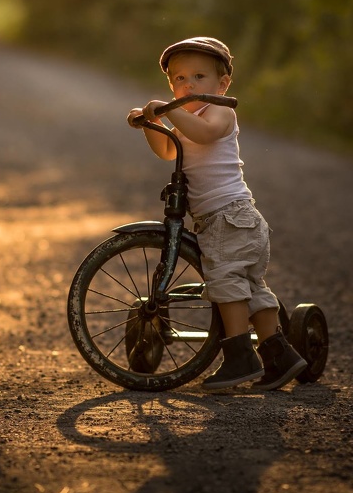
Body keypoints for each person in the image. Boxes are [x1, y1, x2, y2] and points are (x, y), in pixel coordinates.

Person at [127, 36, 307, 392]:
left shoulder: (219, 112)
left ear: (222, 84)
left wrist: (169, 109)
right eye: (180, 79)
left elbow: (206, 135)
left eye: (199, 77)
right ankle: (281, 356)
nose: (188, 85)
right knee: (251, 290)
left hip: (231, 217)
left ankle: (240, 358)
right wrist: (152, 123)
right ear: (171, 85)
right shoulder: (187, 117)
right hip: (225, 221)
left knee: (226, 285)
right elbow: (166, 150)